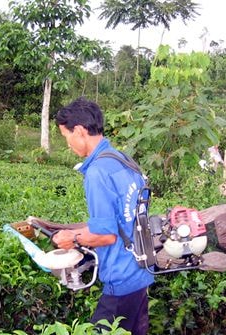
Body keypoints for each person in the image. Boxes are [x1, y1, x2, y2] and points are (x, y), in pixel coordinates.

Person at [52, 97, 154, 335]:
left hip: (121, 279)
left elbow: (105, 236)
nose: (68, 145)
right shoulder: (123, 161)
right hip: (140, 272)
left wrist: (71, 238)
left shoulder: (98, 172)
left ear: (78, 131)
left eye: (66, 137)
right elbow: (126, 218)